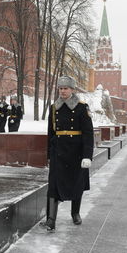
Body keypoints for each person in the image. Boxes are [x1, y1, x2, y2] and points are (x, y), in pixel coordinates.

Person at [42, 75, 94, 231]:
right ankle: (51, 219)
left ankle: (75, 213)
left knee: (76, 183)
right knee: (53, 185)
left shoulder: (81, 107)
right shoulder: (54, 107)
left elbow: (88, 133)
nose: (62, 91)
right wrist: (49, 155)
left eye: (65, 88)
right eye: (60, 88)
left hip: (76, 152)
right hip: (58, 151)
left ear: (72, 89)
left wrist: (87, 156)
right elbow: (51, 133)